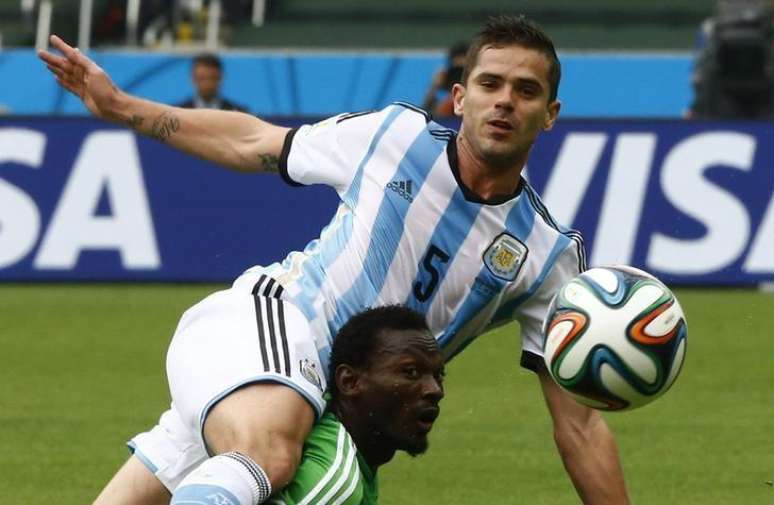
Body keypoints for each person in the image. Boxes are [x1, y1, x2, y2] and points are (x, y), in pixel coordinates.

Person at [39, 14, 631, 505]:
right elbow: (254, 142)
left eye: (526, 91)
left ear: (549, 114)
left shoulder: (548, 256)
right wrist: (120, 108)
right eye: (490, 84)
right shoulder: (393, 137)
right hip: (269, 326)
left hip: (314, 405)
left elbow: (578, 426)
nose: (505, 101)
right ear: (459, 97)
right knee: (275, 459)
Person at [174, 304, 444, 505]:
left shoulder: (334, 447)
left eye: (438, 376)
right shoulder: (333, 481)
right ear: (349, 382)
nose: (435, 390)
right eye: (410, 372)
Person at [178, 53, 248, 112]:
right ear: (193, 78)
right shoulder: (179, 113)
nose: (207, 83)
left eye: (212, 78)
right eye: (202, 78)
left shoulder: (238, 113)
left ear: (221, 77)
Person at [422, 41, 468, 118]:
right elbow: (424, 113)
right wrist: (433, 88)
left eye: (463, 71)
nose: (459, 76)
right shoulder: (445, 107)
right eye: (456, 71)